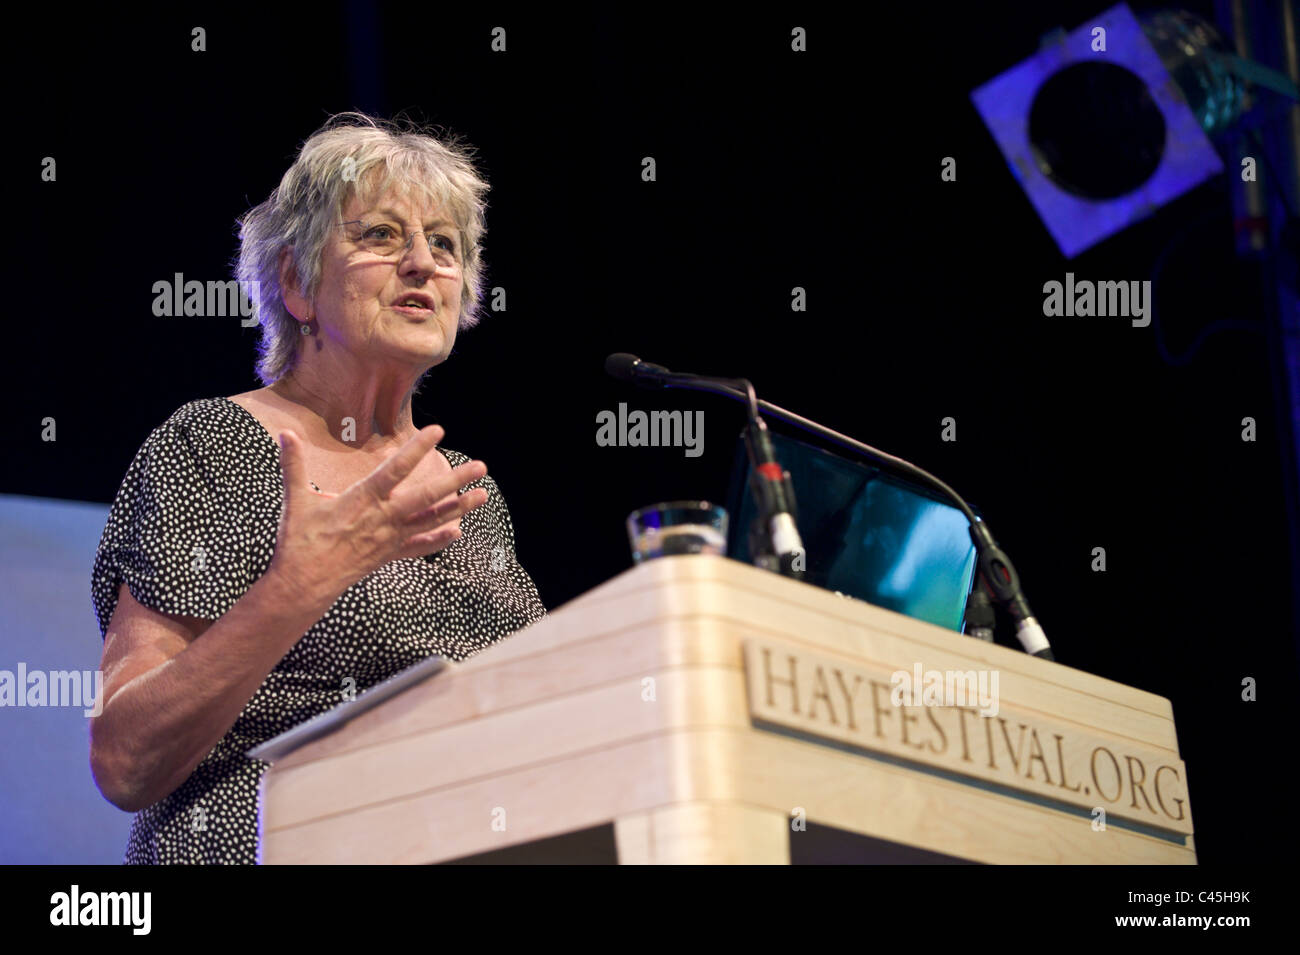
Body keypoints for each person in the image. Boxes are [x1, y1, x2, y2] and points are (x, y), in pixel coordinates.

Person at [88, 112, 546, 864]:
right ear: (296, 283)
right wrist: (308, 579)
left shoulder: (473, 495)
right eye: (380, 235)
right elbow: (125, 757)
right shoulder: (212, 446)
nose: (423, 263)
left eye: (445, 243)